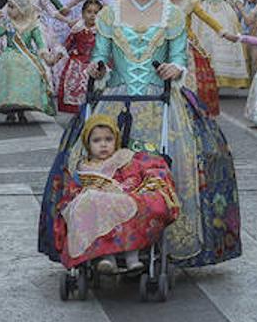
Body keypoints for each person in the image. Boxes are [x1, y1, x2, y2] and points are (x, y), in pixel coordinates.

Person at [39, 0, 240, 268]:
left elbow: (178, 56)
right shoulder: (109, 13)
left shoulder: (171, 14)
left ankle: (153, 241)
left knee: (159, 170)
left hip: (160, 102)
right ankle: (101, 241)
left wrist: (176, 70)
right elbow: (100, 55)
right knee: (101, 168)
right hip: (115, 101)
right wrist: (98, 68)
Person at [53, 114, 181, 273]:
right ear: (88, 143)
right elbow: (74, 189)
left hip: (123, 199)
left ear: (116, 141)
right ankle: (107, 258)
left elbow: (133, 177)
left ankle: (132, 258)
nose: (103, 145)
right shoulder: (84, 167)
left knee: (132, 211)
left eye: (108, 140)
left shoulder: (124, 159)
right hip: (99, 205)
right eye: (97, 141)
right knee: (87, 208)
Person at [0, 0, 55, 123]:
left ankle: (21, 110)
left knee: (30, 71)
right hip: (9, 54)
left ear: (22, 9)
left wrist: (45, 54)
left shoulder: (33, 25)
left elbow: (40, 43)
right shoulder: (7, 23)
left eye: (11, 7)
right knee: (8, 70)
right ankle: (10, 111)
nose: (8, 10)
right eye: (8, 6)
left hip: (27, 55)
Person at [185, 0, 249, 90]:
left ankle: (221, 80)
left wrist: (244, 13)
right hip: (204, 13)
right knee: (207, 43)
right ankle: (208, 80)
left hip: (224, 13)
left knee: (223, 43)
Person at [164, 0, 226, 115]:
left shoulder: (190, 2)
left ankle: (190, 105)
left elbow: (206, 18)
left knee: (192, 77)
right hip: (165, 44)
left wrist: (222, 30)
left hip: (187, 44)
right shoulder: (162, 4)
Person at [48, 0, 101, 114]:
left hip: (95, 62)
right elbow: (66, 45)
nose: (92, 15)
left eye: (96, 13)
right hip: (77, 61)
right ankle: (78, 112)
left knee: (96, 86)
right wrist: (55, 59)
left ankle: (92, 110)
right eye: (89, 12)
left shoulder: (102, 31)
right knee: (73, 80)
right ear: (82, 14)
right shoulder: (77, 29)